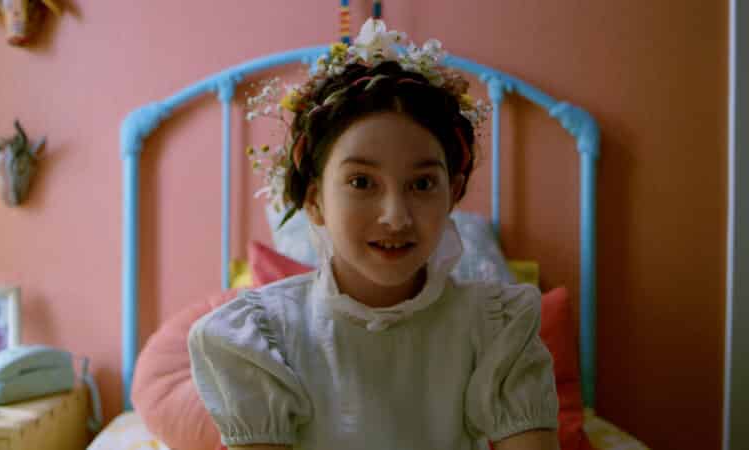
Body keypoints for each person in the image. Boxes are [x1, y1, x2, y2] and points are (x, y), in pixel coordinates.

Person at [189, 18, 560, 450]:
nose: (396, 217)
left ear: (453, 193)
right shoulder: (266, 340)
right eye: (362, 182)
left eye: (422, 185)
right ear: (314, 200)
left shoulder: (497, 331)